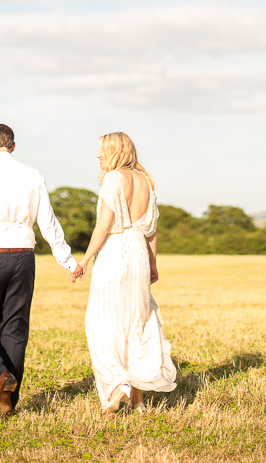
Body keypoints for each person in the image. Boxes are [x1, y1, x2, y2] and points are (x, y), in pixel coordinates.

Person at [0, 124, 82, 417]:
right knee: (14, 329)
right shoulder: (33, 174)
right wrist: (69, 261)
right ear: (12, 146)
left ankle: (1, 377)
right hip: (24, 258)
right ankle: (7, 403)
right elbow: (49, 223)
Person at [74, 132, 177, 413]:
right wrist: (153, 263)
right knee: (137, 323)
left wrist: (84, 260)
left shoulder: (113, 178)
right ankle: (139, 400)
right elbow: (152, 230)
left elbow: (104, 225)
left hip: (115, 252)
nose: (98, 156)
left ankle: (118, 385)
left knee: (104, 323)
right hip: (139, 254)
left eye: (103, 151)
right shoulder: (146, 181)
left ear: (116, 151)